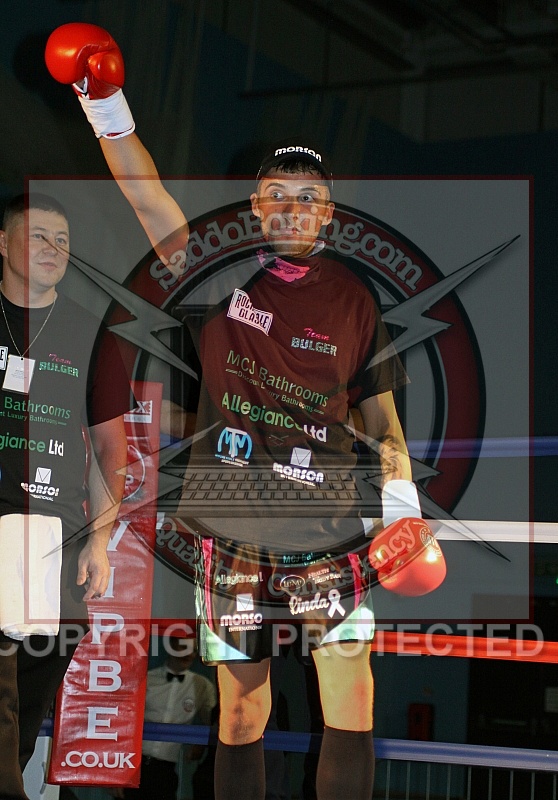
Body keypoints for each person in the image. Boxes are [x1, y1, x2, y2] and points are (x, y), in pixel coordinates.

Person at [45, 23, 445, 800]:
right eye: (279, 198)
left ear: (328, 215)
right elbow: (146, 195)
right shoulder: (215, 275)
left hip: (334, 518)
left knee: (351, 701)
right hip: (233, 518)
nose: (294, 210)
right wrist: (105, 102)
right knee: (239, 713)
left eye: (310, 199)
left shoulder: (358, 301)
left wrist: (402, 510)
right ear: (257, 209)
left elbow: (384, 423)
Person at [0, 191, 131, 800]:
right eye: (38, 236)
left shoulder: (92, 334)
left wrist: (99, 541)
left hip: (52, 542)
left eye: (63, 241)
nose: (53, 249)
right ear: (3, 243)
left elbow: (110, 450)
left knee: (24, 706)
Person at [109, 640, 217, 800]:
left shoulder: (202, 686)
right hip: (133, 765)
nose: (189, 654)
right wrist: (116, 771)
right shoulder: (147, 679)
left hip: (166, 771)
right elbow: (123, 723)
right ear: (171, 647)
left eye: (194, 650)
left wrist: (201, 743)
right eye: (183, 647)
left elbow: (213, 721)